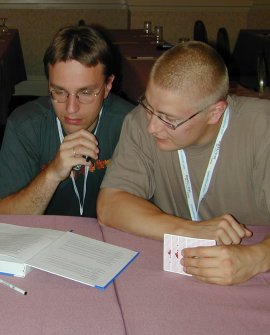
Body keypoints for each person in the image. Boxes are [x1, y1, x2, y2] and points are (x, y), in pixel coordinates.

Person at [97, 41, 270, 285]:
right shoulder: (139, 123)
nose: (152, 127)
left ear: (215, 113)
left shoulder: (263, 128)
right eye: (148, 106)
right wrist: (190, 230)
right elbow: (110, 205)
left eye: (169, 119)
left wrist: (258, 258)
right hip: (180, 275)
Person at [0, 25, 133, 217]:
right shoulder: (25, 125)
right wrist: (52, 173)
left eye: (85, 92)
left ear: (108, 85)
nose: (71, 108)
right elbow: (2, 217)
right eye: (59, 91)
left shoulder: (131, 125)